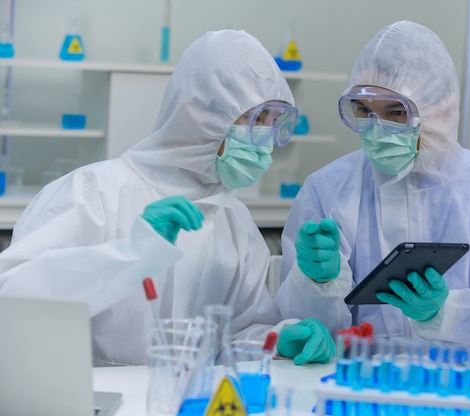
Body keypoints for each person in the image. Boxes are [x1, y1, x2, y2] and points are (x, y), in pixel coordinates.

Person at [0, 29, 334, 366]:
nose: (266, 139)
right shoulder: (92, 192)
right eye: (257, 118)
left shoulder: (235, 220)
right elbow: (13, 300)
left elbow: (236, 335)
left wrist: (276, 340)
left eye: (275, 122)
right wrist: (128, 256)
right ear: (201, 113)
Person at [275, 20, 470, 347]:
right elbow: (303, 331)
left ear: (441, 112)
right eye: (364, 110)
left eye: (395, 112)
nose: (377, 129)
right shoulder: (326, 189)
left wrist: (446, 313)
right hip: (359, 382)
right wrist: (317, 283)